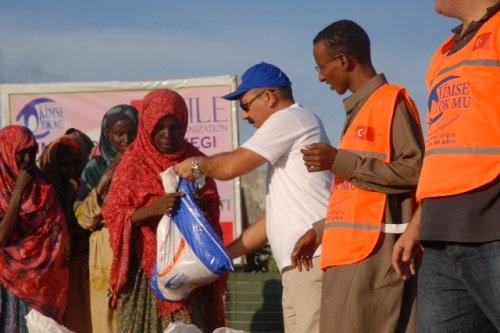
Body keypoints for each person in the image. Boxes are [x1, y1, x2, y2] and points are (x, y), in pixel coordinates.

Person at [174, 62, 332, 333]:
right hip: (301, 268)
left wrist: (197, 165)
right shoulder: (291, 136)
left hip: (314, 261)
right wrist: (223, 256)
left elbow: (232, 166)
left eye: (245, 105)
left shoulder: (291, 119)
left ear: (269, 97)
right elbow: (271, 223)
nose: (245, 117)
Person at [291, 20, 424, 333]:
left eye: (321, 67)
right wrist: (321, 230)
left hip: (375, 259)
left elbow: (417, 170)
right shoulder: (360, 110)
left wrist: (340, 161)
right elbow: (362, 197)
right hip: (351, 255)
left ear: (344, 61)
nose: (321, 76)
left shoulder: (391, 101)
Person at [392, 1, 500, 331]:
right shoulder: (444, 53)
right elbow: (444, 150)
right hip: (439, 236)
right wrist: (416, 225)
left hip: (492, 225)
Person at [102, 89, 226, 333]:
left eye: (175, 127)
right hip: (145, 275)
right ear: (147, 126)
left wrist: (199, 207)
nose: (168, 135)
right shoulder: (133, 162)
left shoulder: (195, 161)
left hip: (189, 273)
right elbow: (114, 214)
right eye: (160, 127)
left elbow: (212, 204)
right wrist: (153, 210)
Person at [74, 105, 139, 333]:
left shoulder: (147, 166)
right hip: (105, 251)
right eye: (119, 134)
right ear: (107, 135)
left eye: (132, 133)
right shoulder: (95, 168)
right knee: (106, 319)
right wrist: (109, 174)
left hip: (139, 248)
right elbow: (83, 218)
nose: (126, 139)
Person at [0, 125, 69, 331]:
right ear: (6, 153)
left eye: (32, 152)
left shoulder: (43, 188)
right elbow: (2, 238)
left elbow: (58, 235)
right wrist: (19, 192)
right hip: (8, 284)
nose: (28, 160)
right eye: (21, 154)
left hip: (44, 288)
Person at [39, 134, 92, 333]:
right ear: (53, 165)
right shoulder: (44, 192)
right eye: (65, 165)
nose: (72, 170)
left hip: (80, 267)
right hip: (52, 270)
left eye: (77, 163)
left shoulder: (83, 187)